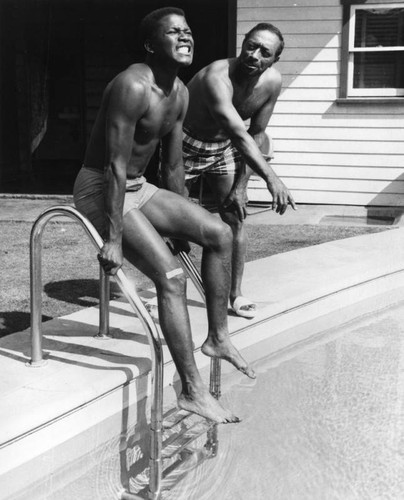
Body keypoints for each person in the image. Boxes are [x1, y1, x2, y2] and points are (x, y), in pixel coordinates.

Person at [73, 7, 255, 424]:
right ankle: (191, 390)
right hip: (102, 187)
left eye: (188, 31)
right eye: (175, 32)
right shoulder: (132, 86)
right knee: (170, 278)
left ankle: (219, 338)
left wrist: (182, 222)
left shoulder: (181, 94)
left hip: (139, 186)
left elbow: (172, 168)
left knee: (219, 233)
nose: (186, 37)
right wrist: (114, 239)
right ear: (152, 44)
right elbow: (114, 167)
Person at [183, 23, 296, 319]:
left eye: (264, 52)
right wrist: (271, 178)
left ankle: (235, 294)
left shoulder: (271, 83)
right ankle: (169, 292)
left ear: (274, 60)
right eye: (251, 46)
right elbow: (239, 133)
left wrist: (242, 186)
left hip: (224, 148)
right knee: (173, 222)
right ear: (243, 43)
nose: (254, 55)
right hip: (184, 143)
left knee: (234, 217)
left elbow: (257, 134)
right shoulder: (216, 76)